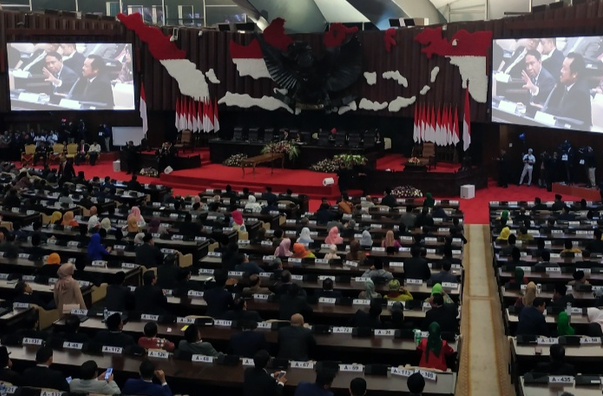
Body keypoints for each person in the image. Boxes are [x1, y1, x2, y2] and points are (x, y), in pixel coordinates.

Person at [543, 52, 592, 128]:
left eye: (564, 68)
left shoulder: (580, 92)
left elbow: (563, 114)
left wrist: (545, 109)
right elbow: (552, 104)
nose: (561, 71)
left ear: (574, 74)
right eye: (562, 67)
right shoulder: (563, 83)